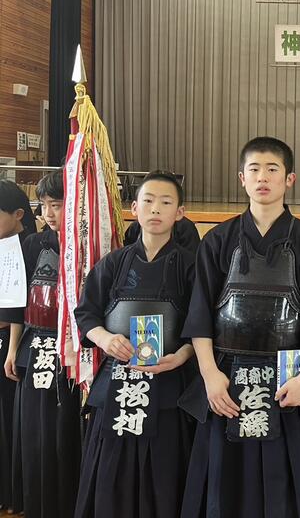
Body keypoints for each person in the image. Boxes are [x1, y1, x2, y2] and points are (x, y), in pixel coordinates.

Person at [179, 136, 300, 518]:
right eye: (254, 169)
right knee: (223, 478)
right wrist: (210, 375)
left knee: (287, 478)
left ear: (289, 179)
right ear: (242, 178)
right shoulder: (218, 239)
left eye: (272, 169)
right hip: (227, 374)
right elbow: (200, 314)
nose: (263, 177)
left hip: (287, 377)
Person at [73, 171, 197, 518]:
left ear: (180, 212)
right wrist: (105, 339)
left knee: (166, 473)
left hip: (169, 383)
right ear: (134, 208)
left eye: (166, 202)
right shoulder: (114, 263)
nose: (156, 209)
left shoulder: (192, 265)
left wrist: (182, 356)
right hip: (117, 381)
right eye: (148, 200)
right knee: (110, 472)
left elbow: (202, 325)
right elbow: (86, 314)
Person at [4, 170, 82, 518]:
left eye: (57, 204)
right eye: (44, 205)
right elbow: (18, 302)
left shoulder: (87, 246)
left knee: (62, 430)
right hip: (34, 346)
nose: (49, 213)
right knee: (34, 430)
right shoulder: (32, 244)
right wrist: (12, 349)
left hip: (71, 351)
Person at [0, 180, 37, 513]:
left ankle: (14, 492)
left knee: (12, 420)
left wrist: (11, 347)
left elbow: (17, 309)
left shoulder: (29, 248)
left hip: (17, 343)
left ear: (18, 215)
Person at [124, 214, 201, 254]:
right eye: (149, 201)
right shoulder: (136, 227)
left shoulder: (185, 228)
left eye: (165, 202)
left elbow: (192, 265)